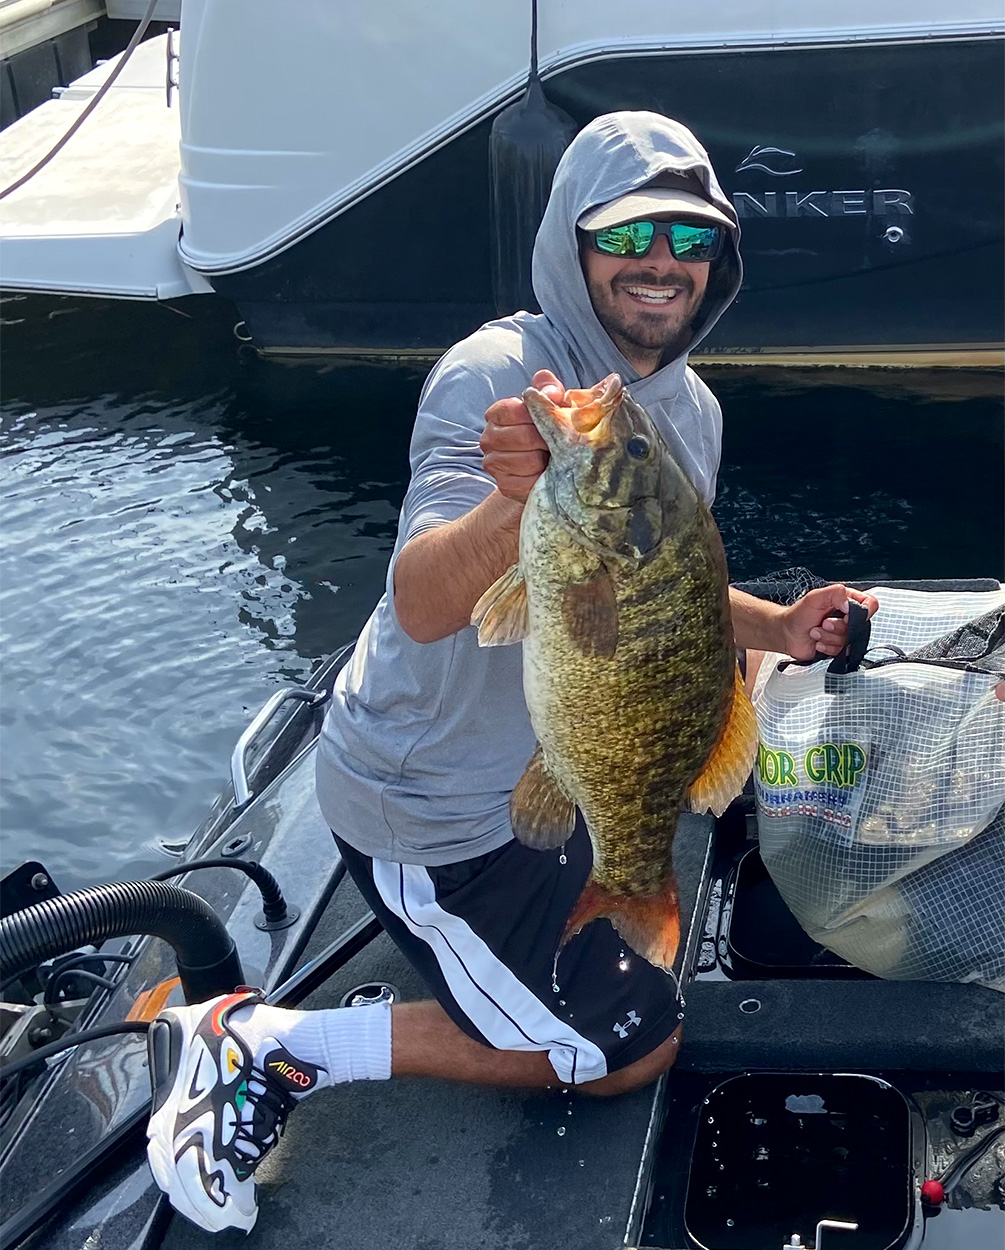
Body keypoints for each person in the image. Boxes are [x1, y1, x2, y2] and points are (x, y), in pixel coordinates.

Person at [143, 111, 878, 1233]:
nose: (660, 264)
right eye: (628, 236)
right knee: (628, 1046)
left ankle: (543, 910)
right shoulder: (498, 373)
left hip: (549, 773)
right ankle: (272, 1044)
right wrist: (511, 501)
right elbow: (428, 601)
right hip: (430, 806)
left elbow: (653, 587)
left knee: (653, 887)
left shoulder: (693, 406)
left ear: (717, 262)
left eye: (689, 239)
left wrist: (782, 625)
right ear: (573, 245)